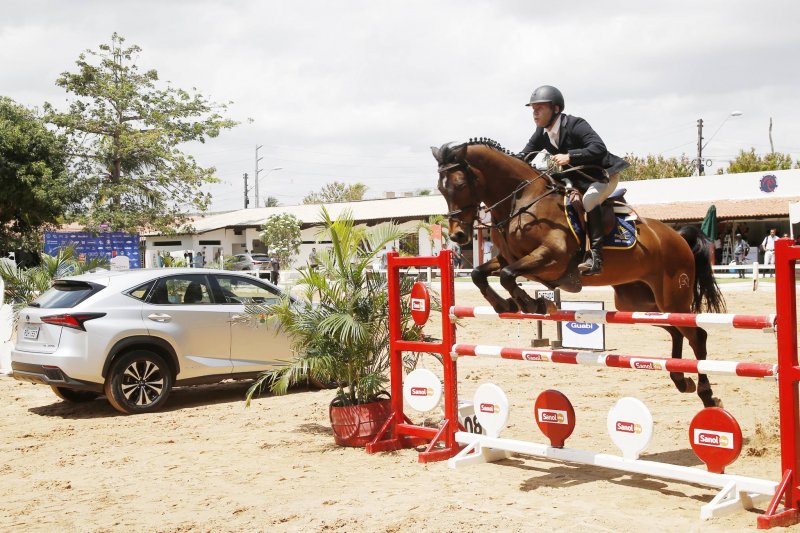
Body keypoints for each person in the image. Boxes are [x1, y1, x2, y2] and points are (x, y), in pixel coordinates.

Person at [520, 85, 630, 276]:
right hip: (577, 178)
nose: (535, 113)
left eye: (540, 108)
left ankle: (596, 257)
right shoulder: (541, 133)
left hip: (602, 175)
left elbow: (599, 148)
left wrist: (570, 156)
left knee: (589, 199)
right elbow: (524, 156)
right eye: (533, 109)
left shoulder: (575, 124)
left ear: (555, 109)